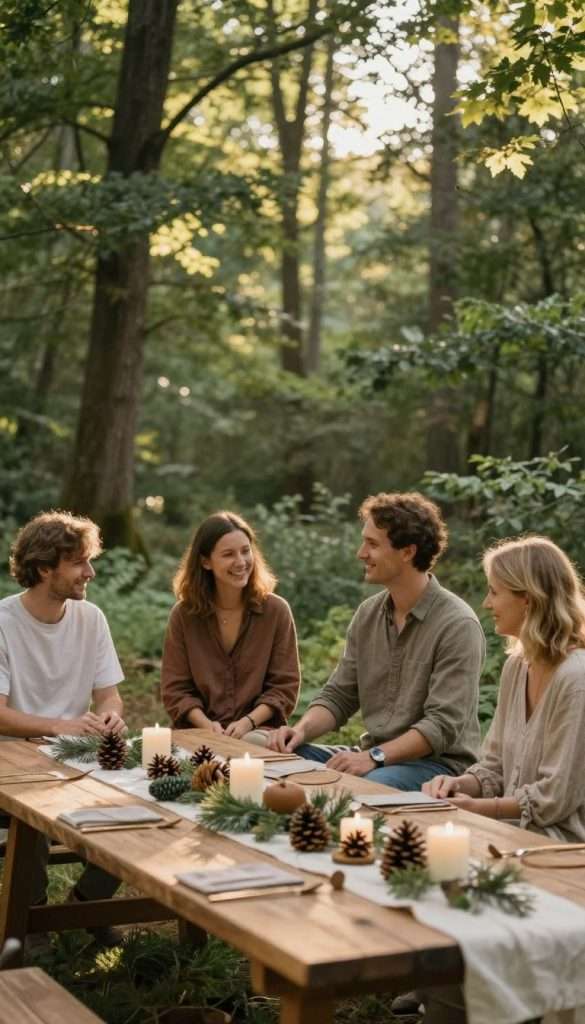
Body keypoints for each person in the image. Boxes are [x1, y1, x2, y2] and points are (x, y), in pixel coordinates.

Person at [269, 491, 484, 790]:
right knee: (270, 754)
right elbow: (339, 696)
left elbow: (441, 727)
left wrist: (375, 757)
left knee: (367, 785)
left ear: (407, 552)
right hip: (373, 758)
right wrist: (300, 731)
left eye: (372, 544)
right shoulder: (368, 614)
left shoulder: (458, 625)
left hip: (435, 765)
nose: (361, 553)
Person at [0, 510, 126, 946]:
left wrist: (110, 714)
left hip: (74, 759)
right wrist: (62, 725)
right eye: (79, 562)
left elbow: (108, 694)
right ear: (44, 567)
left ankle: (83, 907)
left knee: (146, 803)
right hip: (12, 764)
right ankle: (29, 924)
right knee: (30, 814)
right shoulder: (2, 622)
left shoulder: (91, 619)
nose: (89, 572)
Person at [424, 535, 585, 841]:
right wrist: (457, 785)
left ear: (528, 599)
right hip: (508, 832)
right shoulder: (517, 666)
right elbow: (495, 766)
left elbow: (555, 797)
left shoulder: (576, 678)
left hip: (561, 847)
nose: (486, 603)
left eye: (494, 592)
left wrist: (477, 808)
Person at [161, 511, 300, 744]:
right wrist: (207, 726)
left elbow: (284, 687)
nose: (241, 562)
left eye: (246, 551)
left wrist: (247, 723)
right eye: (228, 554)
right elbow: (175, 690)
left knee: (251, 744)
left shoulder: (276, 611)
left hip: (259, 731)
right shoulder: (183, 616)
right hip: (197, 730)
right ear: (206, 562)